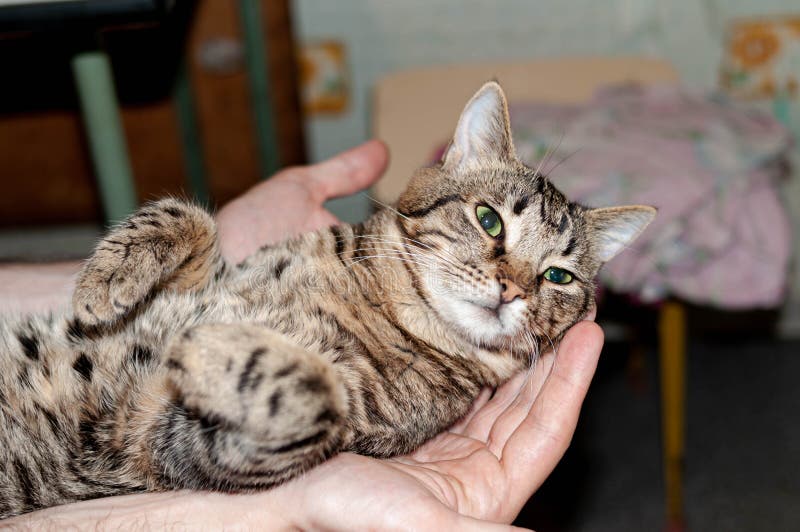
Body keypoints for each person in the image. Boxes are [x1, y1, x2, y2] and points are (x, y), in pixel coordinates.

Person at [0, 140, 604, 530]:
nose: (511, 283)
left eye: (555, 276)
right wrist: (183, 242)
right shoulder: (339, 254)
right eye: (491, 222)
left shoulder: (423, 392)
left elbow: (181, 451)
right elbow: (193, 317)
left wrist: (291, 415)